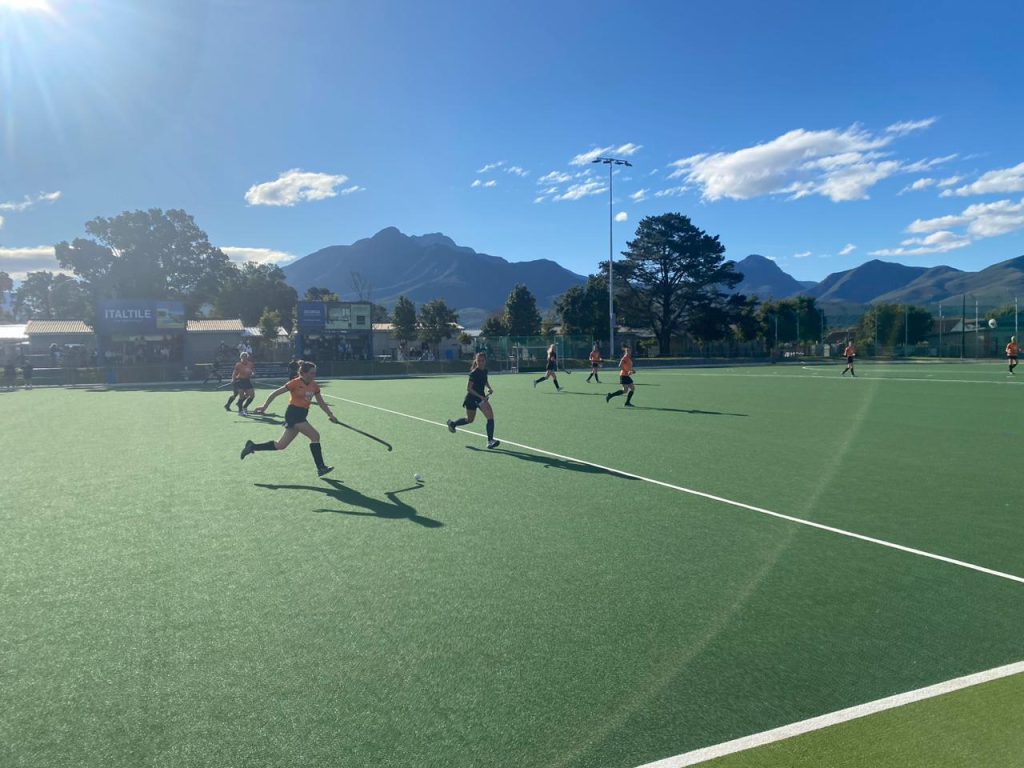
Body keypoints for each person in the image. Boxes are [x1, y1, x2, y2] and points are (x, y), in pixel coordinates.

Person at [241, 360, 337, 477]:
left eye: (315, 373)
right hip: (293, 414)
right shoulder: (295, 383)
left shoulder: (314, 385)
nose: (314, 375)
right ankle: (321, 468)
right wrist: (264, 406)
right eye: (311, 373)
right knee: (315, 436)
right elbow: (275, 393)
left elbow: (321, 402)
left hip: (302, 414)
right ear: (303, 373)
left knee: (280, 445)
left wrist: (330, 415)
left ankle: (252, 446)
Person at [446, 352, 500, 449]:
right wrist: (481, 397)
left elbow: (484, 380)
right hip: (472, 399)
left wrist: (489, 388)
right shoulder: (474, 373)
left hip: (480, 399)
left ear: (485, 361)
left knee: (488, 417)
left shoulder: (485, 371)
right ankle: (453, 424)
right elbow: (469, 389)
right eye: (479, 360)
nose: (480, 362)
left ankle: (490, 441)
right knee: (470, 420)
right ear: (476, 361)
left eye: (482, 360)